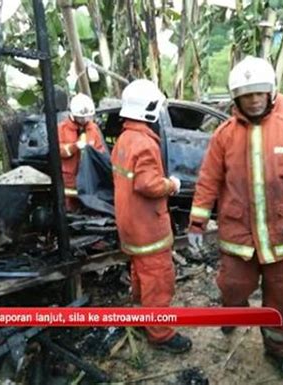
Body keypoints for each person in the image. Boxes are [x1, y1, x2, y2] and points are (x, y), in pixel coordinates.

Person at [187, 56, 283, 382]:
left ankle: (277, 351)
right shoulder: (224, 136)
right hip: (238, 235)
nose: (253, 101)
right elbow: (208, 179)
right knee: (233, 287)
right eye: (246, 95)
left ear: (270, 93)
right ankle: (231, 312)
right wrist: (197, 222)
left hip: (281, 237)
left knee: (280, 299)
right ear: (236, 98)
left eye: (259, 94)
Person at [111, 79, 192, 354]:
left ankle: (141, 314)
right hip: (148, 228)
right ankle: (161, 334)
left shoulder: (123, 139)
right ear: (149, 109)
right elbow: (148, 184)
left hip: (130, 225)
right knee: (157, 279)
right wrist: (172, 184)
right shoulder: (144, 144)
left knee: (140, 273)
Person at [58, 93, 105, 211]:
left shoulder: (93, 128)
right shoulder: (62, 129)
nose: (84, 120)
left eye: (87, 117)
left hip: (89, 177)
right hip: (69, 177)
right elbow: (59, 151)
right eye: (81, 117)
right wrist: (75, 146)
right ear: (73, 115)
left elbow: (101, 151)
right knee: (70, 206)